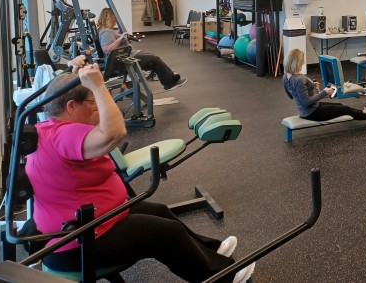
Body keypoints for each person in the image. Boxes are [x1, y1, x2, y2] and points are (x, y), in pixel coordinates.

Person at [26, 55, 255, 283]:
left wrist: (75, 76)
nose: (96, 109)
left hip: (96, 222)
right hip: (78, 245)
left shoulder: (52, 127)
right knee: (166, 234)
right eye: (92, 104)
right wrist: (98, 86)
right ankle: (223, 277)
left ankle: (213, 253)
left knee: (161, 211)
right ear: (71, 106)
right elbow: (114, 132)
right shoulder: (62, 134)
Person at [96, 8, 187, 91]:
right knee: (155, 59)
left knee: (153, 59)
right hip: (124, 61)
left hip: (127, 56)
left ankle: (168, 75)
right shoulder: (105, 32)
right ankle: (170, 82)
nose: (115, 20)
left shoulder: (108, 30)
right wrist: (121, 38)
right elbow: (107, 49)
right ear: (109, 18)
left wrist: (121, 36)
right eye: (114, 18)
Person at [283, 49, 366, 123]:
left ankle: (364, 112)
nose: (304, 62)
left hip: (307, 110)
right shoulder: (299, 79)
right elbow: (306, 103)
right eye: (302, 61)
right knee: (345, 110)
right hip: (312, 113)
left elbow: (291, 95)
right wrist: (324, 92)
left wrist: (310, 85)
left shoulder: (286, 77)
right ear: (295, 63)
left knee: (340, 106)